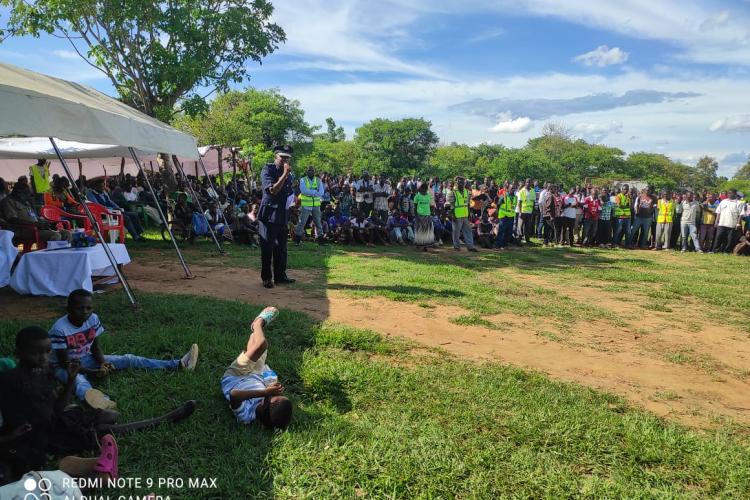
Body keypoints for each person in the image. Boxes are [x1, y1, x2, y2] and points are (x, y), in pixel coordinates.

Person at [0, 326, 196, 486]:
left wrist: (71, 380)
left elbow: (57, 408)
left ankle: (156, 422)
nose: (43, 358)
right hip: (29, 437)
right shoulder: (10, 380)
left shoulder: (46, 372)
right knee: (99, 430)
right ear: (19, 353)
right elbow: (13, 417)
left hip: (53, 421)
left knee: (108, 416)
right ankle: (161, 421)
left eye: (46, 352)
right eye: (35, 353)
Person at [50, 289, 199, 409]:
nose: (85, 312)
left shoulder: (93, 319)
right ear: (68, 308)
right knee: (79, 381)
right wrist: (93, 372)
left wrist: (103, 364)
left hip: (86, 358)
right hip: (64, 367)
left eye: (88, 308)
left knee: (127, 359)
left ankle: (177, 364)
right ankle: (101, 403)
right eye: (79, 308)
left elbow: (95, 347)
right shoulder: (60, 329)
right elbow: (65, 363)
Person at [221, 307, 292, 430]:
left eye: (271, 396)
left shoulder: (247, 416)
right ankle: (255, 331)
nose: (271, 394)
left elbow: (234, 395)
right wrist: (271, 384)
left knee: (261, 345)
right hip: (256, 375)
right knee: (255, 344)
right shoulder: (266, 402)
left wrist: (265, 392)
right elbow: (266, 388)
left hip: (235, 376)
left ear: (264, 404)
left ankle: (257, 323)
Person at [258, 145, 296, 288]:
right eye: (282, 157)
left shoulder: (288, 174)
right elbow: (273, 190)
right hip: (269, 215)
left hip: (282, 215)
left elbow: (288, 193)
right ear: (276, 156)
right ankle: (266, 278)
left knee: (281, 248)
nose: (285, 160)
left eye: (288, 158)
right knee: (267, 247)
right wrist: (285, 175)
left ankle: (280, 276)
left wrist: (292, 208)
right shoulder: (267, 170)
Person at [0, 182, 71, 244]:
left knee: (66, 233)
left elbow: (34, 217)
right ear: (18, 192)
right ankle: (50, 257)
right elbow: (12, 220)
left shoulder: (25, 202)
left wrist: (46, 223)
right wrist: (36, 224)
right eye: (27, 194)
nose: (29, 196)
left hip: (36, 227)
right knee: (55, 235)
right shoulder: (8, 201)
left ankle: (63, 254)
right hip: (23, 230)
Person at [294, 165, 325, 246]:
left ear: (314, 172)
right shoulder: (303, 180)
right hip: (306, 205)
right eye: (309, 170)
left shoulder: (318, 180)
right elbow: (304, 191)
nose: (310, 172)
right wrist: (315, 192)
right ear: (306, 172)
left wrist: (311, 193)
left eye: (312, 170)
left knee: (318, 222)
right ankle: (297, 240)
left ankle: (321, 240)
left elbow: (321, 192)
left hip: (316, 205)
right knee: (302, 222)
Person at [446, 176, 477, 252]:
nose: (462, 183)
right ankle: (456, 247)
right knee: (456, 232)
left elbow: (468, 204)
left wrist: (469, 213)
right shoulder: (452, 192)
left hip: (465, 215)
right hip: (457, 215)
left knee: (468, 230)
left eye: (463, 182)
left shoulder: (467, 192)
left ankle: (470, 246)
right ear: (456, 183)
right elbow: (451, 206)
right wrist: (453, 215)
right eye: (460, 182)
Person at [712, 189, 745, 253]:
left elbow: (740, 214)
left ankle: (726, 251)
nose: (730, 194)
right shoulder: (723, 201)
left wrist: (738, 224)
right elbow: (718, 212)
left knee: (729, 239)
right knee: (718, 237)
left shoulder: (739, 203)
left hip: (732, 224)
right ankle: (715, 250)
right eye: (729, 193)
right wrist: (716, 221)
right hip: (721, 223)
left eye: (731, 193)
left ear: (735, 194)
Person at [413, 182, 434, 251]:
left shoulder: (428, 196)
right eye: (422, 189)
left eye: (425, 189)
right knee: (419, 230)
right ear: (420, 189)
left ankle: (425, 246)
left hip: (427, 215)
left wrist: (431, 213)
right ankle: (418, 244)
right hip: (419, 215)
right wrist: (416, 216)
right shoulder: (417, 196)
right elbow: (415, 207)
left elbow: (431, 205)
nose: (423, 190)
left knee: (426, 230)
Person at [495, 185, 517, 249]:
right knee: (502, 231)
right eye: (511, 188)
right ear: (508, 189)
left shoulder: (515, 197)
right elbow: (498, 204)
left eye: (514, 188)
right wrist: (498, 214)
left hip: (511, 216)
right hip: (503, 216)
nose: (512, 189)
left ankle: (505, 244)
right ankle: (499, 244)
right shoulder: (504, 196)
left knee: (509, 232)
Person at [517, 178, 536, 244]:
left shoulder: (533, 190)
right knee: (520, 226)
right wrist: (519, 212)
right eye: (527, 182)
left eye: (530, 182)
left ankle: (527, 239)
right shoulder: (521, 191)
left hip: (529, 211)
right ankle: (518, 240)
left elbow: (533, 202)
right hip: (523, 211)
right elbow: (519, 202)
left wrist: (533, 210)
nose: (528, 183)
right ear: (525, 183)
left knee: (528, 226)